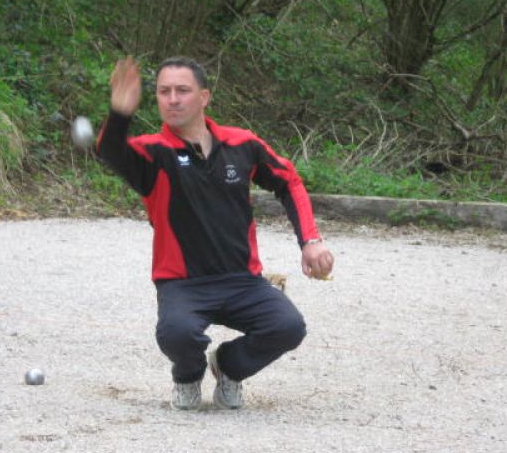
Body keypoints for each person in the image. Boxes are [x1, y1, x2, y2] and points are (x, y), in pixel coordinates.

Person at [95, 55, 334, 411]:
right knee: (177, 335)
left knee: (288, 327)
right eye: (163, 91)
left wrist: (310, 241)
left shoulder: (242, 144)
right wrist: (120, 113)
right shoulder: (153, 153)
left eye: (182, 90)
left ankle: (228, 366)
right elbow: (109, 150)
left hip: (242, 280)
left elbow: (289, 181)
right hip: (182, 284)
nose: (172, 99)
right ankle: (188, 376)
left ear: (204, 97)